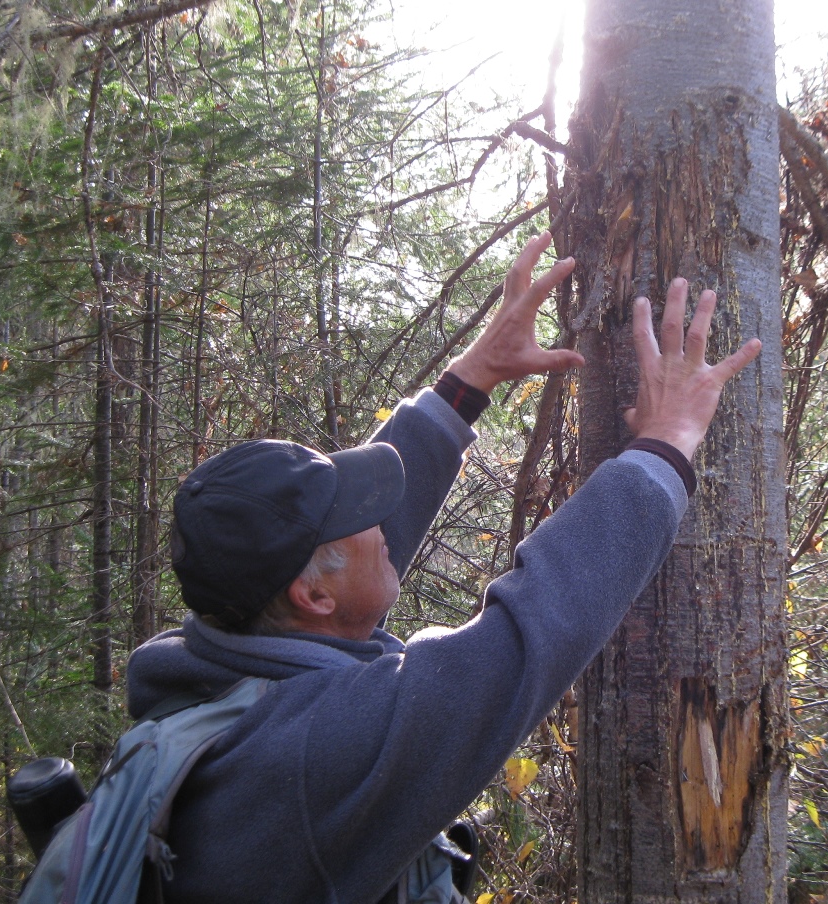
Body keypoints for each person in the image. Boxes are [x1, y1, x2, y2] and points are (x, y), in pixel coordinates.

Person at [126, 230, 761, 903]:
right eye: (358, 517)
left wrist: (473, 376)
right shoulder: (315, 755)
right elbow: (524, 636)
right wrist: (666, 444)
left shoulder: (219, 664)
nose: (382, 526)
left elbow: (350, 563)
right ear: (310, 595)